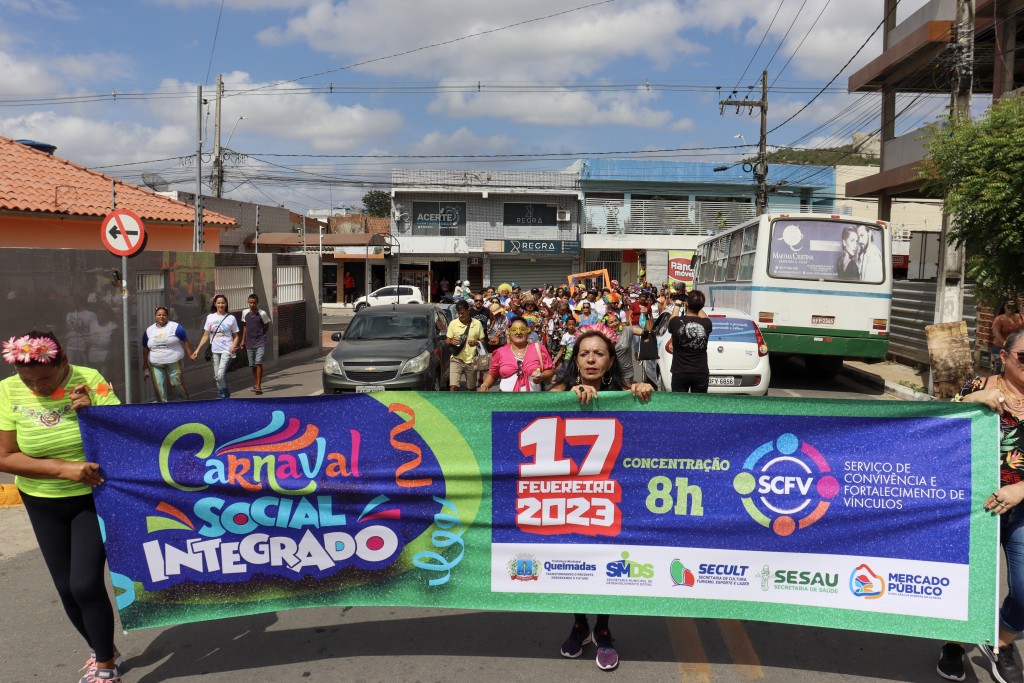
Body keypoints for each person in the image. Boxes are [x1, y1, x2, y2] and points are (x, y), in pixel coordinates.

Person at [0, 331, 124, 683]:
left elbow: (123, 434)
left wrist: (93, 414)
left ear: (63, 363)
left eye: (45, 378)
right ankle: (103, 648)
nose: (36, 387)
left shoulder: (90, 380)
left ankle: (105, 667)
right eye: (28, 380)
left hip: (92, 497)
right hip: (41, 500)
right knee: (66, 588)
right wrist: (62, 469)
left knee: (84, 583)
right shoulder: (7, 390)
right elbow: (5, 456)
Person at [549, 325, 653, 671]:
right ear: (575, 360)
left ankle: (603, 628)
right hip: (570, 494)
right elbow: (535, 410)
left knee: (607, 559)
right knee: (576, 559)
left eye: (599, 354)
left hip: (611, 494)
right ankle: (579, 625)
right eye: (583, 353)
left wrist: (639, 389)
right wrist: (564, 398)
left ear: (610, 362)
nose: (591, 359)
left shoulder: (623, 390)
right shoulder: (560, 389)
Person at [937, 328, 1024, 683]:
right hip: (974, 506)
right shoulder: (978, 386)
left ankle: (1000, 642)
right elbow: (935, 427)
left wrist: (1022, 489)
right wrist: (970, 402)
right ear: (1004, 357)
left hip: (1022, 507)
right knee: (967, 582)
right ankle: (955, 645)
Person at [477, 316, 554, 392]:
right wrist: (485, 385)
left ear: (528, 331)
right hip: (506, 400)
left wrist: (542, 376)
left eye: (522, 329)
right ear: (509, 333)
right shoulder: (500, 352)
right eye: (514, 330)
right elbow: (493, 374)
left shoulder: (539, 348)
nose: (518, 332)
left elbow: (550, 370)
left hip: (533, 400)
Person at [190, 293, 240, 399]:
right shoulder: (210, 317)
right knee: (217, 376)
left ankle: (224, 396)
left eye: (223, 303)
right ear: (215, 304)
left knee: (220, 374)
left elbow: (236, 336)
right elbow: (205, 335)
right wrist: (197, 350)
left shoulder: (231, 318)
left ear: (226, 304)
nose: (221, 305)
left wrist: (234, 346)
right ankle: (222, 397)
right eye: (219, 303)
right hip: (215, 350)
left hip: (227, 350)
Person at [142, 306, 193, 402]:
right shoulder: (149, 330)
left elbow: (185, 340)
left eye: (164, 315)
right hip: (156, 364)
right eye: (159, 315)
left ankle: (185, 402)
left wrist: (190, 354)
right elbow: (145, 348)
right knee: (159, 386)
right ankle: (163, 406)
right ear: (155, 316)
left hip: (174, 362)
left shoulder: (175, 327)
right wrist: (145, 363)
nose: (161, 317)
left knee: (177, 384)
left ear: (167, 316)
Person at [668, 290, 713, 393]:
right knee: (698, 406)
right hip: (700, 372)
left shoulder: (676, 322)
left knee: (679, 405)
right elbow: (704, 316)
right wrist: (695, 302)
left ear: (687, 304)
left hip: (680, 371)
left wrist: (677, 305)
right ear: (701, 306)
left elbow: (672, 319)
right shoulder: (707, 323)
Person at [446, 299, 485, 391]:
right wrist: (452, 342)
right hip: (456, 359)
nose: (460, 315)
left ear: (468, 310)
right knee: (453, 387)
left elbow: (482, 341)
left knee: (471, 388)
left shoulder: (477, 323)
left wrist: (476, 343)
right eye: (458, 313)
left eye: (462, 313)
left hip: (472, 361)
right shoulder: (453, 323)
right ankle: (454, 405)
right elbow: (447, 341)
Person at [240, 293, 272, 395]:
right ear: (248, 302)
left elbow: (267, 325)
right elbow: (245, 326)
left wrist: (261, 334)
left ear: (257, 303)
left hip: (260, 341)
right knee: (252, 365)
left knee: (258, 362)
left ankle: (258, 386)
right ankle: (256, 383)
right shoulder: (245, 312)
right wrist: (243, 340)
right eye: (250, 303)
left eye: (254, 303)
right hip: (249, 342)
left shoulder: (262, 313)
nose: (252, 304)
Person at [992, 301, 1024, 375]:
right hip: (1000, 347)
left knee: (1013, 369)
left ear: (1016, 307)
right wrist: (1005, 343)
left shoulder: (1021, 318)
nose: (1010, 308)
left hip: (1015, 348)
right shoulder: (999, 319)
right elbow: (996, 333)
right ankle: (995, 384)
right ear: (1004, 307)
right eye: (1008, 306)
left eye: (1013, 306)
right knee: (999, 368)